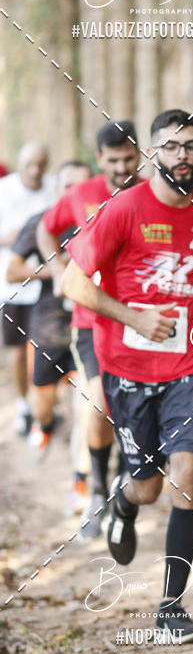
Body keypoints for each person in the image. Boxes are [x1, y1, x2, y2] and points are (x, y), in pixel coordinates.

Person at [62, 108, 193, 643]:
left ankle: (172, 609)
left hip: (191, 368)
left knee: (188, 474)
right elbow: (73, 283)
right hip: (128, 369)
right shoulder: (120, 210)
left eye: (192, 145)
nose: (183, 155)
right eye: (172, 146)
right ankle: (121, 501)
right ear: (152, 154)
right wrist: (135, 316)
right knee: (148, 487)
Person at [38, 121, 142, 537]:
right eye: (113, 160)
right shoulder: (80, 194)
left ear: (140, 156)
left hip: (142, 323)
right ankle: (97, 489)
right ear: (99, 159)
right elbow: (47, 227)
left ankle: (121, 480)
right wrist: (57, 268)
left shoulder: (152, 195)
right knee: (98, 403)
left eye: (128, 159)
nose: (121, 167)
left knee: (132, 412)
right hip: (91, 320)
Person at [6, 160, 92, 505]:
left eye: (82, 186)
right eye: (68, 185)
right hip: (49, 327)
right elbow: (12, 272)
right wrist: (58, 273)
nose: (74, 193)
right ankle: (43, 423)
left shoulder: (101, 218)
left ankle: (83, 481)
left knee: (89, 406)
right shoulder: (41, 222)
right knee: (44, 405)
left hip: (89, 326)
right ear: (57, 188)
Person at [0, 142, 55, 435]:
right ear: (18, 165)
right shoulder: (3, 190)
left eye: (41, 165)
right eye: (29, 165)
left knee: (43, 348)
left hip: (46, 285)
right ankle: (23, 404)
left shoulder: (55, 187)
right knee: (18, 352)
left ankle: (43, 406)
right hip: (11, 286)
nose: (35, 171)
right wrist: (13, 238)